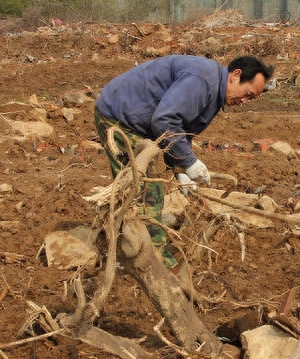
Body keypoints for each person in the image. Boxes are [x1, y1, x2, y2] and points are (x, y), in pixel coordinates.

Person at [93, 54, 274, 269]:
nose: (244, 102)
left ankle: (129, 244)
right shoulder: (203, 81)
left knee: (143, 189)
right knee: (146, 191)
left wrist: (180, 168)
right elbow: (164, 121)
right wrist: (189, 162)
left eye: (250, 100)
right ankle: (149, 259)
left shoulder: (214, 91)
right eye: (248, 95)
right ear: (236, 75)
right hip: (118, 118)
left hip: (134, 119)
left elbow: (180, 130)